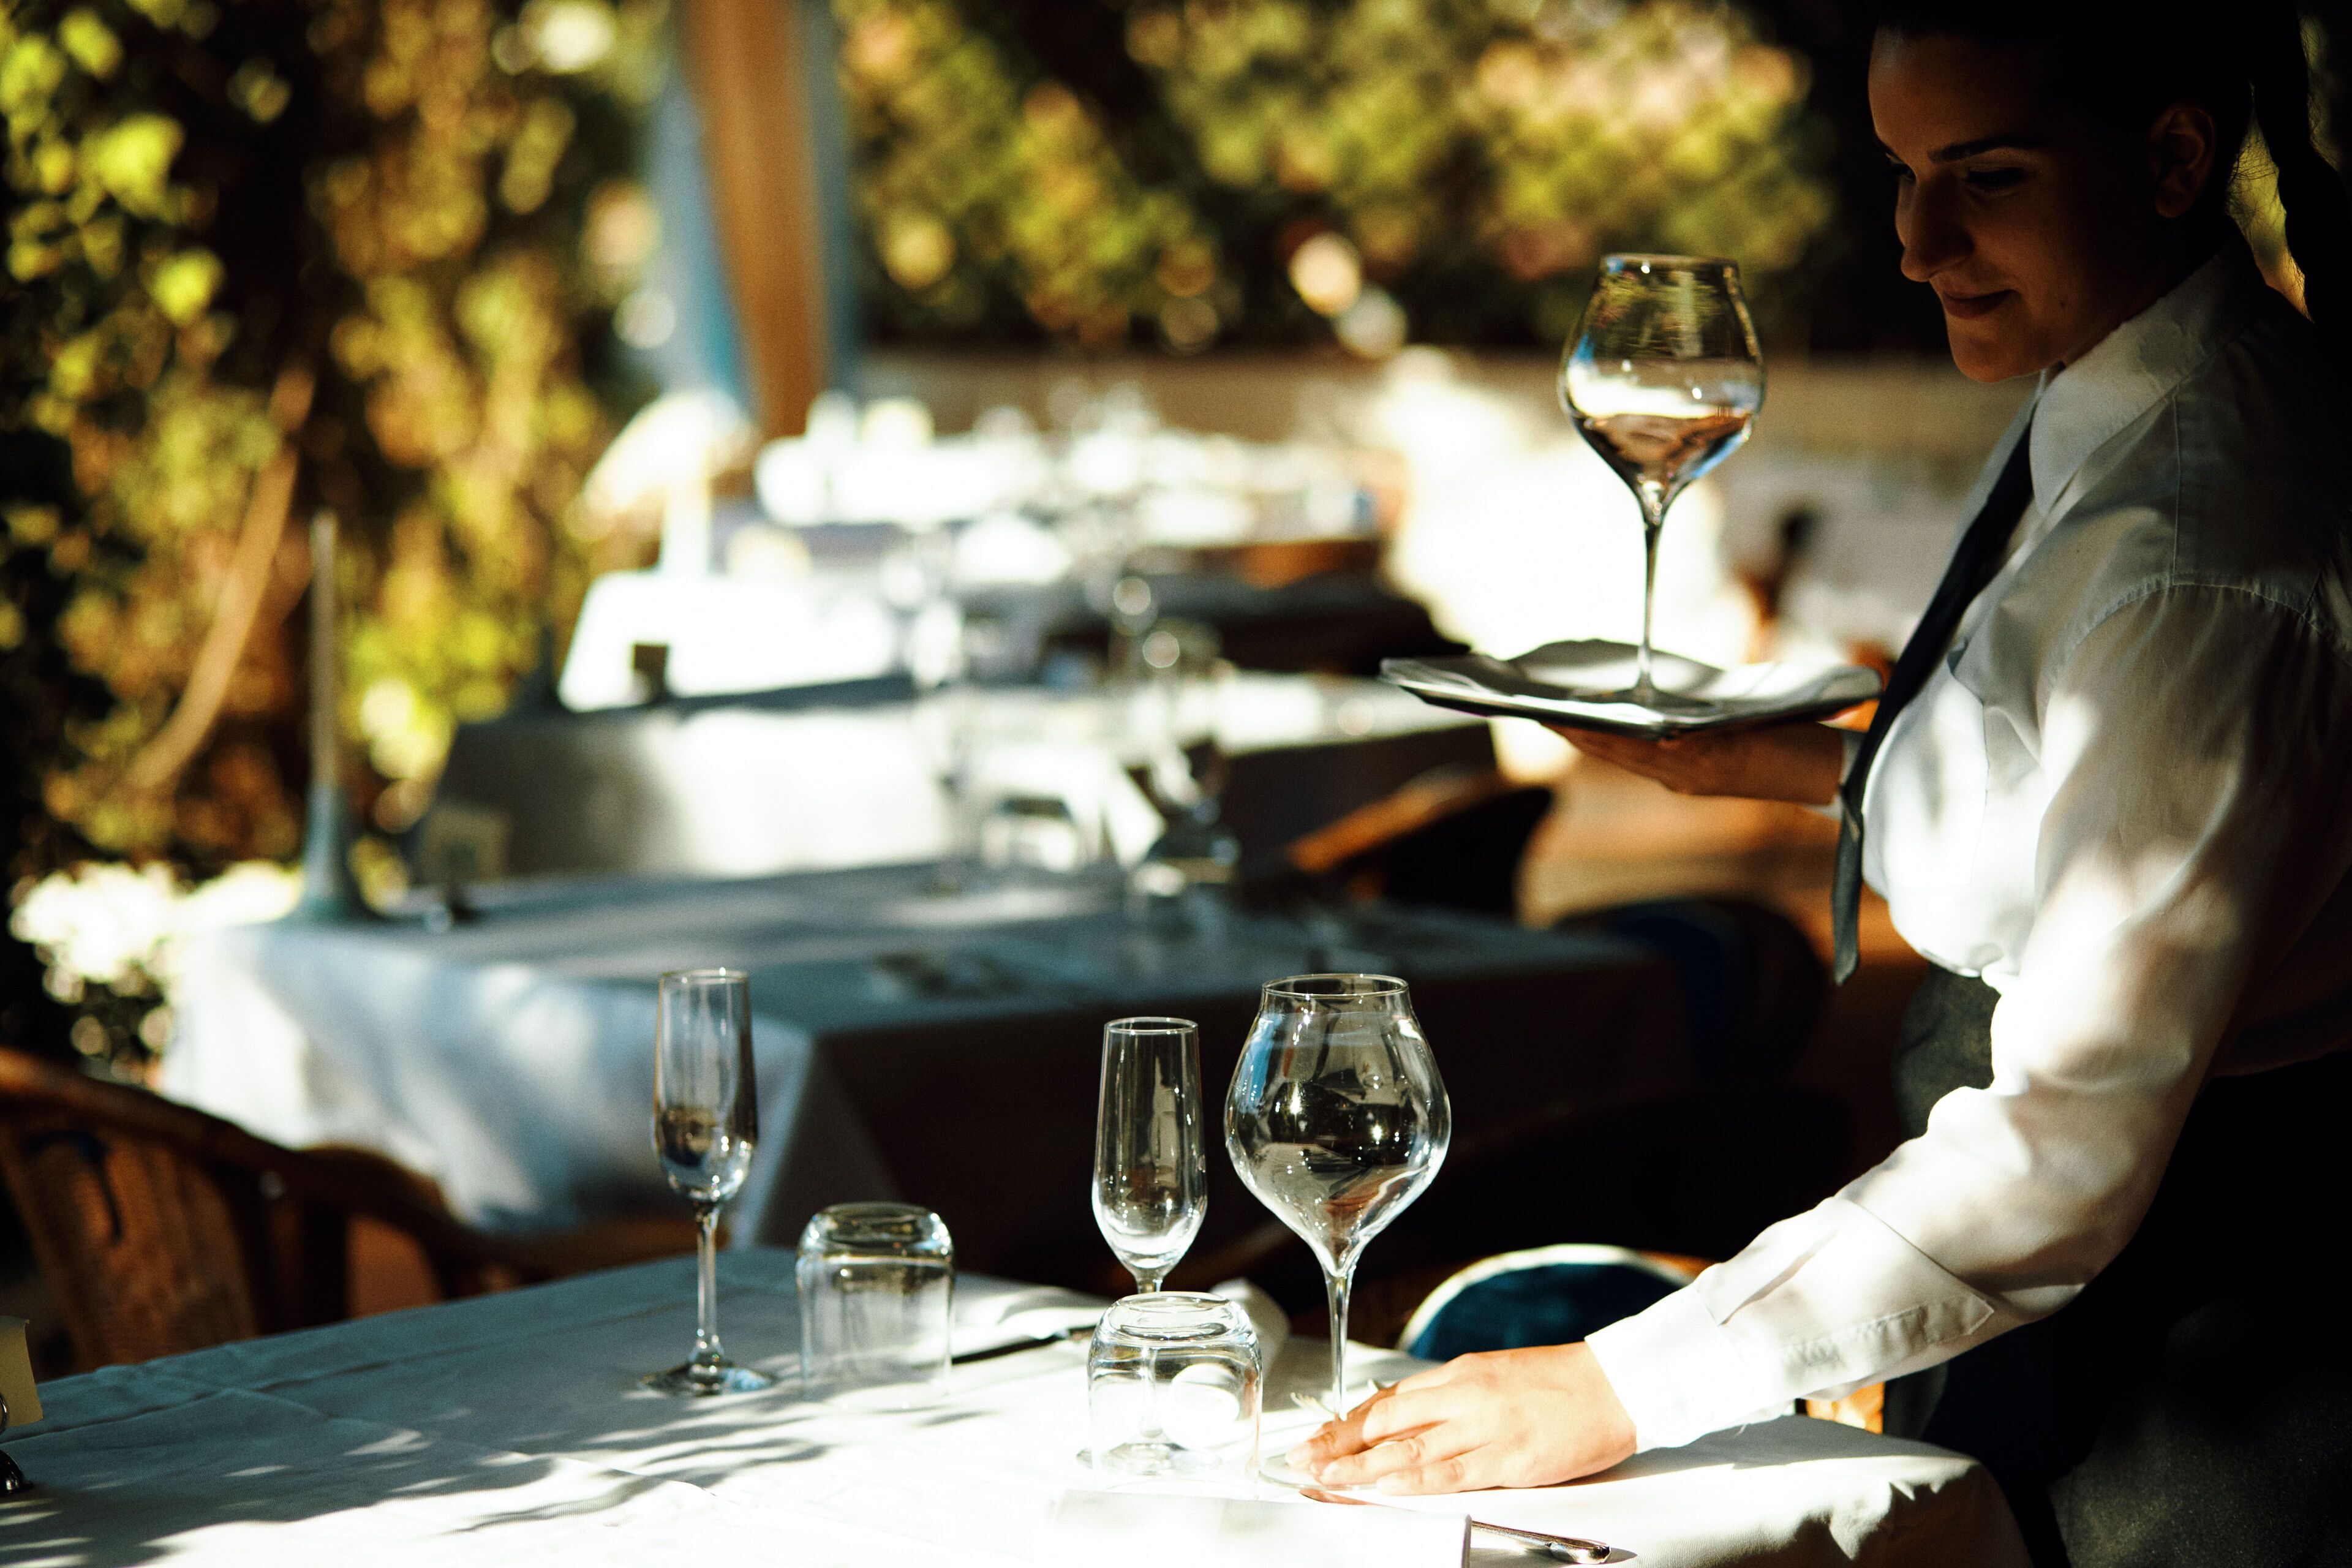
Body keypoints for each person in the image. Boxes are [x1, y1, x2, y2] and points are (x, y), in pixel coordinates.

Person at [1293, 4, 2352, 1562]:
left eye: (1984, 177)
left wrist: (1615, 1383)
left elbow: (2068, 1142)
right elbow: (2062, 775)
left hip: (2188, 1331)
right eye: (1901, 174)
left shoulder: (2196, 544)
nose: (1918, 244)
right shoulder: (2118, 395)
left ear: (2176, 157)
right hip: (2068, 1271)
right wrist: (1779, 760)